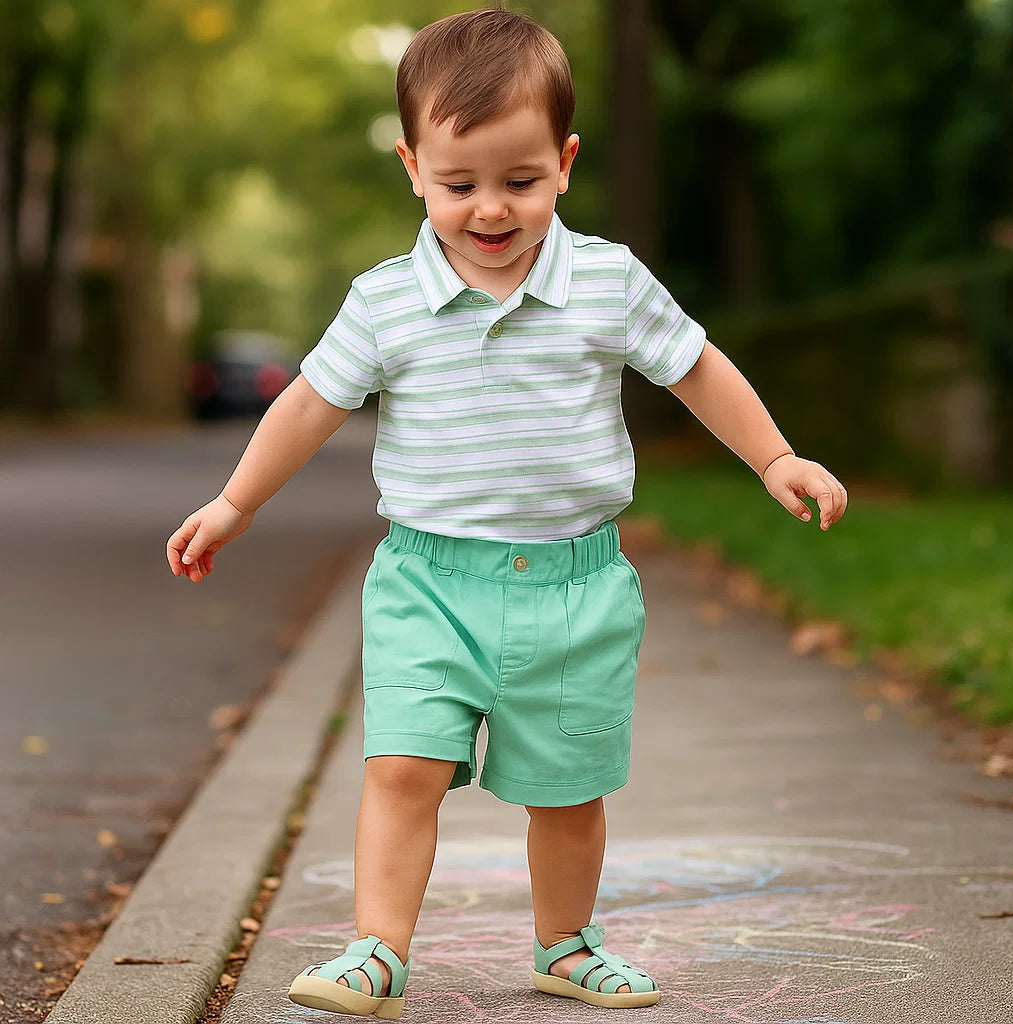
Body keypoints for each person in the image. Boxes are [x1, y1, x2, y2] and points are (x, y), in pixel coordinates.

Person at [166, 6, 848, 1019]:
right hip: (428, 583)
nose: (490, 209)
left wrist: (774, 455)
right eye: (459, 184)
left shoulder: (608, 283)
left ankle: (565, 946)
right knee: (402, 767)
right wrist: (234, 501)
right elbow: (309, 403)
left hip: (573, 589)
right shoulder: (386, 300)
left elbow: (696, 368)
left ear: (564, 163)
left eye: (519, 181)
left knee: (566, 791)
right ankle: (375, 950)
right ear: (412, 167)